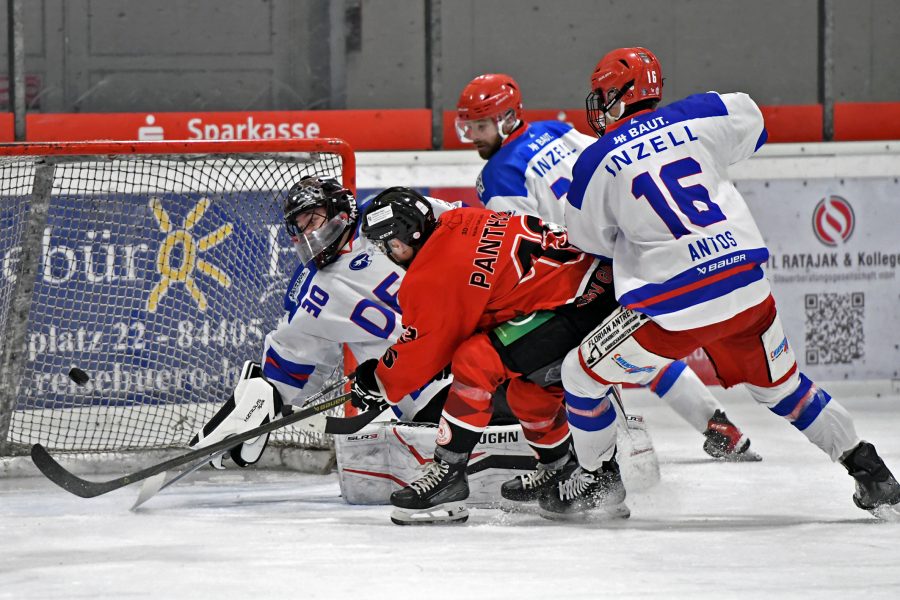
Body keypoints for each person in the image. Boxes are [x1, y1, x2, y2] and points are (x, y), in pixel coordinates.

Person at [550, 46, 900, 520]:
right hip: (746, 286)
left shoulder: (596, 159)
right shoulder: (703, 112)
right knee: (786, 390)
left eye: (603, 95)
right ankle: (869, 470)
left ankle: (599, 482)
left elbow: (589, 240)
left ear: (620, 94)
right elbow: (753, 122)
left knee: (580, 374)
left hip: (672, 304)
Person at [455, 72, 760, 463]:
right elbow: (606, 162)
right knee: (640, 347)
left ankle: (598, 462)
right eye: (469, 126)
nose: (474, 136)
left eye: (480, 125)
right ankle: (717, 427)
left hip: (575, 273)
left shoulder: (498, 174)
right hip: (620, 246)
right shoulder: (557, 130)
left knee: (594, 361)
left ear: (507, 118)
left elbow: (521, 244)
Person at [354, 186, 633, 524]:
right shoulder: (461, 219)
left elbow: (418, 353)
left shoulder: (431, 271)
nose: (388, 253)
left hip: (579, 305)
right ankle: (561, 469)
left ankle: (448, 476)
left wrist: (376, 381)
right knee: (526, 391)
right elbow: (492, 291)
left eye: (389, 244)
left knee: (476, 360)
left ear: (405, 236)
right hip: (600, 291)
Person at [188, 177, 457, 466]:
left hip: (472, 342)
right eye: (300, 226)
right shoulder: (313, 292)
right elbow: (289, 365)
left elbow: (470, 229)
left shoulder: (391, 212)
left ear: (339, 209)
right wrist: (252, 412)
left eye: (312, 219)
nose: (307, 233)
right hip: (425, 388)